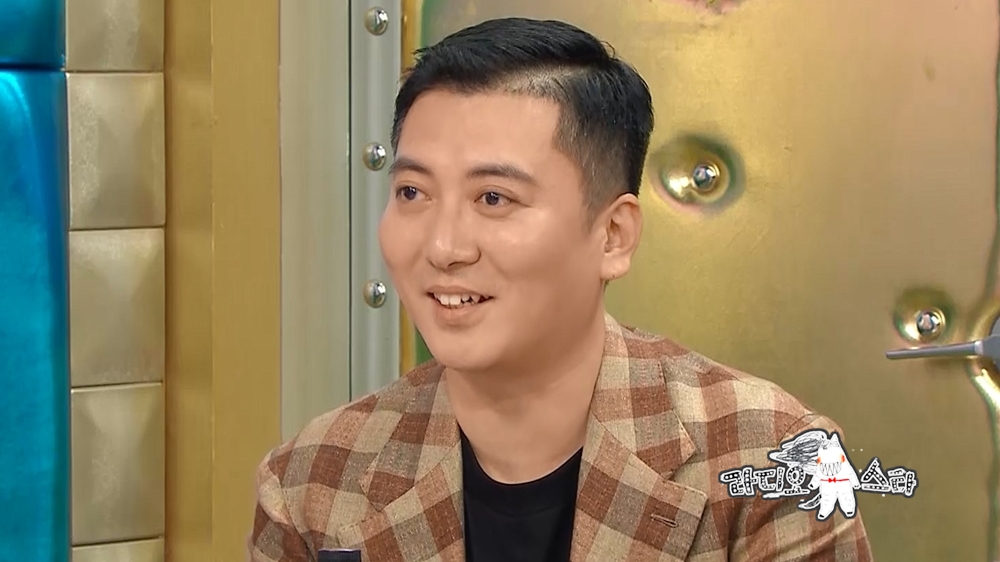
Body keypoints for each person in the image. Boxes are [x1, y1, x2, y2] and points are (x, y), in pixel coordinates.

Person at [249, 17, 873, 562]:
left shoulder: (771, 461)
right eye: (413, 192)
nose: (442, 246)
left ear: (613, 236)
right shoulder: (311, 482)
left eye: (494, 198)